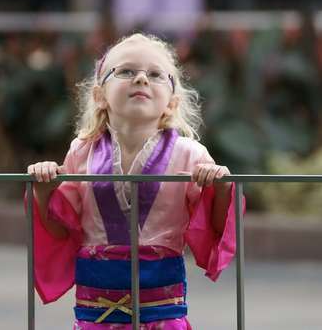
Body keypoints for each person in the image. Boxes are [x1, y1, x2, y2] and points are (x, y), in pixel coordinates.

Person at [27, 32, 245, 329]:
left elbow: (217, 228)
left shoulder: (190, 154)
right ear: (100, 96)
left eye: (155, 74)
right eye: (127, 71)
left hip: (162, 316)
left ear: (172, 102)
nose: (141, 79)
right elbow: (61, 230)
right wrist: (42, 191)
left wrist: (221, 187)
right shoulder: (81, 151)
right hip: (96, 316)